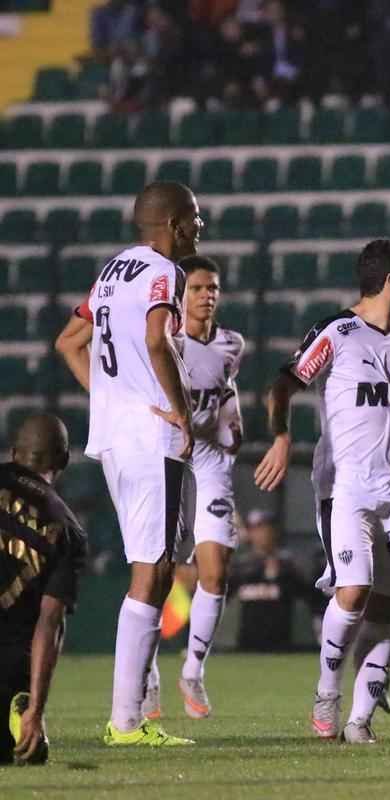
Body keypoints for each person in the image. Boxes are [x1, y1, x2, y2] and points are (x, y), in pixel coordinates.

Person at [254, 239, 390, 744]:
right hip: (346, 486)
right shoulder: (337, 332)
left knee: (388, 603)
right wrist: (281, 437)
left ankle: (359, 721)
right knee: (354, 589)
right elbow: (282, 386)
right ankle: (327, 691)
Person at [54, 180, 200, 748]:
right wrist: (181, 414)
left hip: (117, 435)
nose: (200, 229)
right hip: (151, 437)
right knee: (154, 569)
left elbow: (69, 341)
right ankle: (125, 721)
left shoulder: (113, 272)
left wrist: (108, 401)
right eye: (195, 219)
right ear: (173, 224)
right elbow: (158, 340)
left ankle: (130, 715)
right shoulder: (165, 273)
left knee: (156, 566)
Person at [139, 255, 244, 722]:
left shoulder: (231, 343)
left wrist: (232, 419)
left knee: (216, 570)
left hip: (211, 458)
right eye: (198, 287)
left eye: (213, 287)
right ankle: (147, 674)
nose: (207, 295)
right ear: (182, 296)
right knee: (157, 568)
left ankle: (193, 670)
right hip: (167, 453)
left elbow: (225, 390)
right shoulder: (167, 343)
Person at [0, 415, 87, 766]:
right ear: (63, 460)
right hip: (8, 660)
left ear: (14, 451)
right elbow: (49, 626)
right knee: (23, 754)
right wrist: (37, 708)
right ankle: (21, 708)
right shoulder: (68, 531)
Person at [227, 509, 323, 652]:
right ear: (250, 533)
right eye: (256, 529)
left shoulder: (289, 564)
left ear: (275, 531)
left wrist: (285, 573)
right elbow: (222, 596)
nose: (262, 534)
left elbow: (313, 599)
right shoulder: (241, 566)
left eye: (266, 528)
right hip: (245, 645)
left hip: (282, 646)